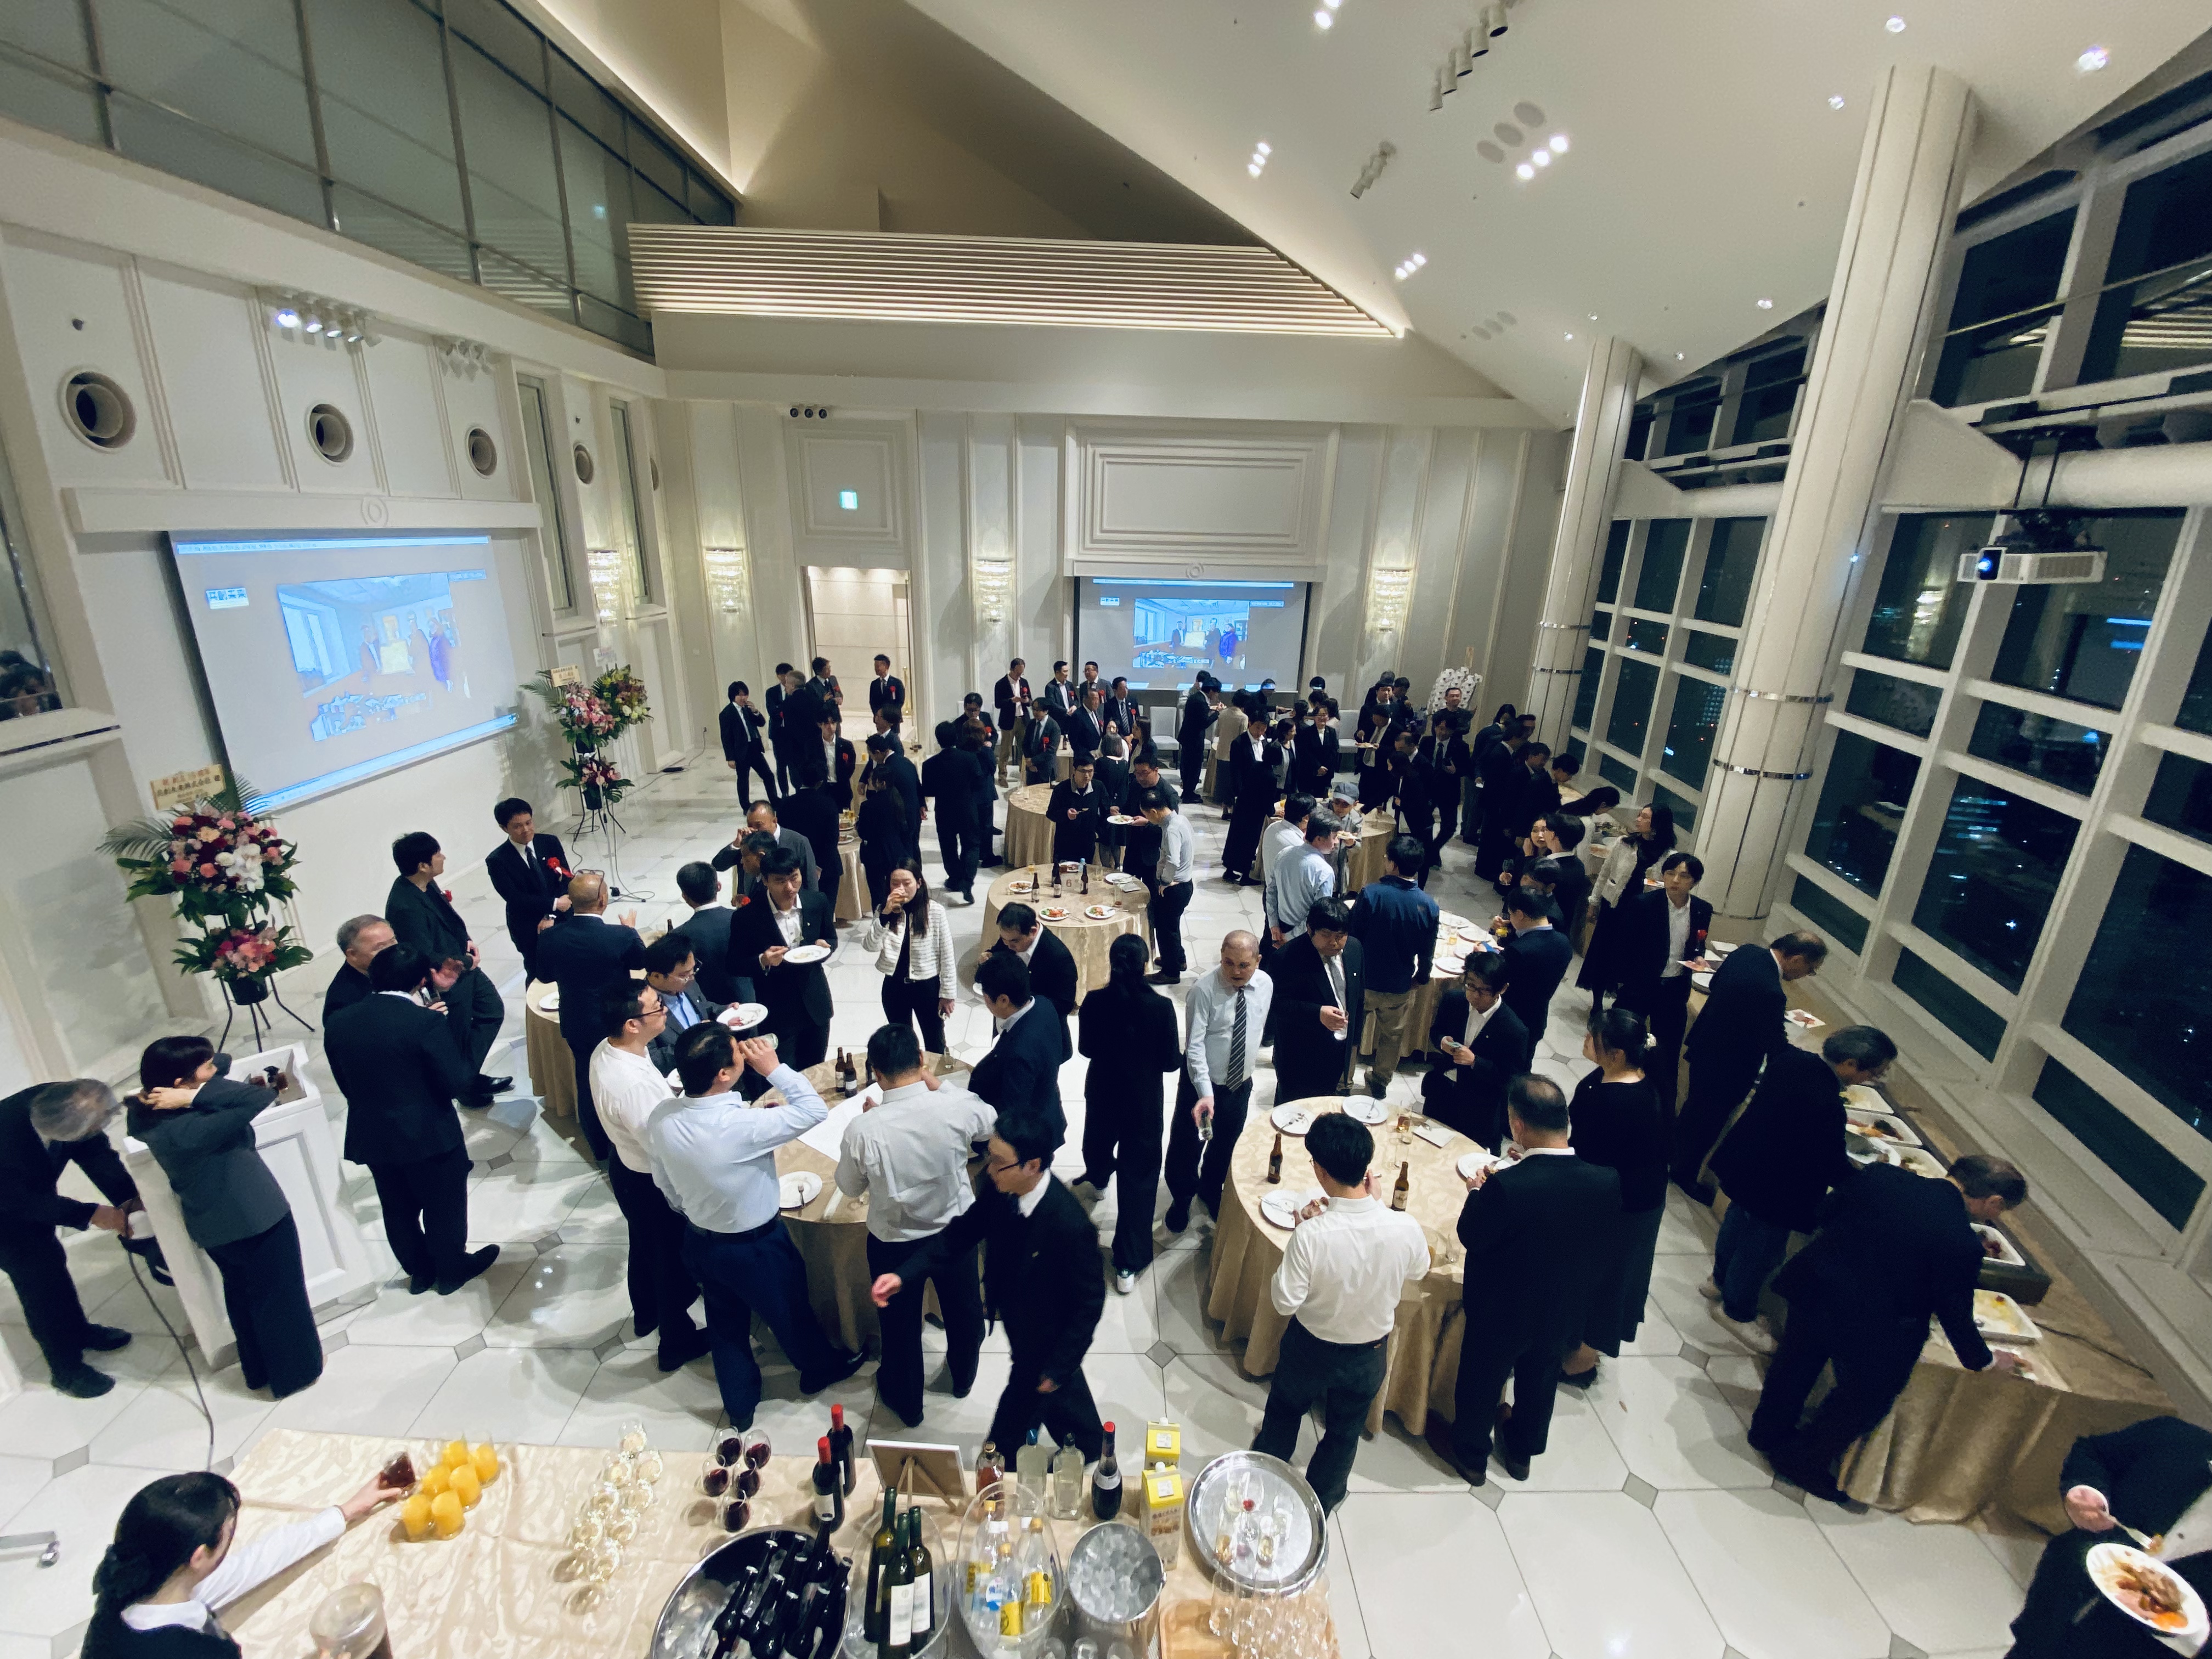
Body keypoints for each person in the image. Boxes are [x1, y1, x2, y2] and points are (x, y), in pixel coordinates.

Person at [1749, 1152, 2026, 1502]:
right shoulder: (1961, 1241)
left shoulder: (1881, 1177)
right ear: (1994, 1201)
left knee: (1794, 1363)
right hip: (1872, 1324)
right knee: (1866, 1396)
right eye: (2001, 1210)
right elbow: (1954, 1312)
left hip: (1818, 1285)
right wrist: (1985, 1361)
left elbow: (1826, 1212)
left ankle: (1766, 1432)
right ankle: (1803, 1461)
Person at [649, 1027, 865, 1429]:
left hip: (700, 1238)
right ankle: (818, 1369)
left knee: (725, 1323)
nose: (745, 1054)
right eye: (738, 1052)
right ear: (723, 1075)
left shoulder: (662, 1116)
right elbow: (813, 1111)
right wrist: (774, 1068)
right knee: (790, 1311)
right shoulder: (739, 1126)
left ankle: (740, 1405)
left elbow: (665, 1184)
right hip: (755, 1247)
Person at [868, 1102, 1106, 1463]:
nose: (989, 1168)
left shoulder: (1070, 1226)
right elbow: (960, 1234)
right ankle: (1089, 1443)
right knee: (1060, 1398)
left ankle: (1000, 1463)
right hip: (1019, 1324)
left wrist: (1060, 1366)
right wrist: (904, 1275)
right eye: (990, 1157)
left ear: (1032, 1166)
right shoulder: (1002, 1190)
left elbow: (1090, 1303)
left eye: (999, 1161)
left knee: (1019, 1410)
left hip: (1045, 1338)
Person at [1429, 1076, 1622, 1485]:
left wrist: (1476, 1192)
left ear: (1517, 1125)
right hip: (1564, 1307)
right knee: (1541, 1377)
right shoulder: (1605, 1181)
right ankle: (1521, 1452)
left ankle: (1470, 1455)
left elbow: (1472, 1235)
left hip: (1505, 1309)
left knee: (1483, 1379)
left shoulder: (1507, 1187)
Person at [1251, 1111, 1429, 1514]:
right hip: (1369, 1354)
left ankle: (1266, 1478)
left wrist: (1300, 1234)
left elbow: (1284, 1302)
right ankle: (1320, 1505)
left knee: (1284, 1412)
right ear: (1366, 1169)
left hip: (1310, 1348)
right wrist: (1379, 1207)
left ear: (1320, 1170)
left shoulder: (1312, 1235)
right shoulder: (1404, 1227)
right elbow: (1419, 1269)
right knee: (1344, 1433)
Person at [131, 1038, 320, 1398]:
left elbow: (223, 1059)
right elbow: (259, 1097)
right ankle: (295, 1373)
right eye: (205, 1069)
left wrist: (192, 1087)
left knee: (241, 1295)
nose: (214, 1069)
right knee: (280, 1297)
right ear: (180, 1083)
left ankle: (258, 1370)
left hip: (213, 1224)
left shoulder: (144, 1112)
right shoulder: (188, 1130)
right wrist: (194, 1098)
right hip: (255, 1216)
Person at [836, 1024, 995, 1427]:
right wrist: (943, 1089)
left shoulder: (863, 1130)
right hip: (954, 1230)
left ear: (876, 1073)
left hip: (895, 1241)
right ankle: (963, 1378)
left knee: (900, 1327)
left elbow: (849, 1187)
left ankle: (908, 1404)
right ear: (921, 1060)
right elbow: (990, 1122)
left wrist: (874, 1124)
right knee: (964, 1311)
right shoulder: (955, 1106)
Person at [323, 945, 500, 1295]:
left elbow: (344, 1082)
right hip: (427, 1132)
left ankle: (419, 1272)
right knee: (443, 1204)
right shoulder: (425, 1022)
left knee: (397, 1207)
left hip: (372, 1132)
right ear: (421, 981)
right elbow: (456, 1080)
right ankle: (451, 1270)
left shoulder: (339, 1022)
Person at [1706, 1024, 1893, 1353]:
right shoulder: (1826, 1102)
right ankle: (1736, 1310)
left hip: (1747, 1165)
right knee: (1761, 1251)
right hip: (1778, 1187)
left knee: (1735, 1225)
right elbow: (1830, 1163)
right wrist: (1872, 1182)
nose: (1870, 1079)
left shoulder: (1792, 1062)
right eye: (1872, 1073)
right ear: (1850, 1064)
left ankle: (1719, 1281)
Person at [83, 1466, 402, 1658]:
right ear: (199, 1557)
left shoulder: (129, 1590)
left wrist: (345, 1511)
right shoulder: (199, 1652)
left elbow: (254, 1563)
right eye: (229, 1532)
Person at [2007, 1417, 2212, 1658]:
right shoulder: (2177, 1439)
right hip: (2059, 1598)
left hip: (2139, 1649)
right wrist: (2088, 1492)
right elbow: (2095, 1453)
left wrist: (2192, 1634)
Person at [587, 982, 709, 1369]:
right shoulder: (633, 1086)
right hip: (647, 1178)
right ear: (632, 1024)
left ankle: (646, 1312)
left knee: (643, 1246)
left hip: (627, 1164)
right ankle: (676, 1342)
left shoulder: (608, 1048)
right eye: (657, 1007)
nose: (665, 1011)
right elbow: (662, 1144)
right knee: (667, 1259)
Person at [1, 1079, 140, 1397]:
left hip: (25, 1199)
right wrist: (91, 1213)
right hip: (5, 1215)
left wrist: (129, 1202)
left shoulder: (74, 1101)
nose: (95, 1132)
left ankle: (78, 1331)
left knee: (53, 1265)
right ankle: (65, 1369)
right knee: (39, 1282)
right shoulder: (7, 1134)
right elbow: (19, 1200)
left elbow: (99, 1158)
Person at [1556, 1008, 1669, 1390]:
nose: (1586, 1041)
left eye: (1594, 1039)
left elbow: (1591, 1156)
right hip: (1619, 1192)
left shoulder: (1620, 1101)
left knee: (1608, 1280)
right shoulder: (1614, 1078)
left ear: (1617, 1054)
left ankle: (1582, 1362)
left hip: (1625, 1205)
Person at [1674, 929, 1829, 1197]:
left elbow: (1715, 985)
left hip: (1704, 1046)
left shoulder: (1747, 952)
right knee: (1707, 1124)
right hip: (1729, 1068)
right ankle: (1683, 1174)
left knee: (1692, 1111)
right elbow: (1775, 1044)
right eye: (1811, 969)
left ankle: (1671, 1155)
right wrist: (1810, 1066)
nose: (1807, 974)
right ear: (1797, 959)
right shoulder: (1771, 992)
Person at [1075, 933, 1182, 1293]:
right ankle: (1127, 1263)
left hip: (1103, 1094)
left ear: (1112, 962)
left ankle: (1099, 1179)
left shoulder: (1094, 1001)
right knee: (1139, 1180)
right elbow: (1170, 1064)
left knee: (1097, 1145)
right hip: (1143, 1103)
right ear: (1146, 964)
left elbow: (1086, 1049)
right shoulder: (1161, 1008)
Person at [383, 831, 509, 1106]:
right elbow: (425, 954)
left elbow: (449, 921)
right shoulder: (405, 906)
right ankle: (464, 1086)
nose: (443, 857)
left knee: (492, 1011)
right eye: (437, 854)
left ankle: (465, 1078)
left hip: (462, 965)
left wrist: (467, 942)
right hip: (448, 978)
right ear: (422, 865)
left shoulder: (427, 884)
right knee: (459, 1033)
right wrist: (466, 961)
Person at [1163, 932, 1274, 1232]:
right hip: (1202, 1088)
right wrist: (1205, 1092)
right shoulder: (1203, 990)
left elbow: (1256, 1030)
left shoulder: (1266, 984)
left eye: (1244, 965)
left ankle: (1211, 1190)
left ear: (1258, 961)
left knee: (1226, 1144)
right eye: (1228, 963)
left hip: (1239, 1085)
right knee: (1187, 1147)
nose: (1235, 971)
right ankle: (1182, 1199)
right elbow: (1194, 1046)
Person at [533, 872, 646, 1160]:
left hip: (577, 1021)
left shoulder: (551, 936)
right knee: (627, 1078)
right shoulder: (620, 935)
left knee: (587, 1081)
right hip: (616, 1022)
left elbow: (543, 976)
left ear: (571, 902)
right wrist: (632, 932)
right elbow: (640, 962)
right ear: (603, 900)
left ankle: (598, 1147)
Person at [1615, 850, 1714, 1116]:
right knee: (1623, 1042)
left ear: (1694, 882)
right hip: (1641, 985)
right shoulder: (1643, 904)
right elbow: (1625, 946)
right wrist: (1626, 980)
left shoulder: (1702, 909)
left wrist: (1698, 956)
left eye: (1684, 876)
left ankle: (1661, 1110)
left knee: (1668, 1053)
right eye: (1671, 873)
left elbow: (1698, 942)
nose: (1676, 880)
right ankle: (1617, 1095)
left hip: (1674, 988)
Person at [731, 845, 838, 1069]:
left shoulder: (817, 902)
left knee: (816, 1068)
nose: (790, 887)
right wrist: (763, 960)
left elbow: (831, 938)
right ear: (766, 881)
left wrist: (825, 948)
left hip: (815, 1002)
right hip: (777, 1009)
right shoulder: (747, 917)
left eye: (794, 878)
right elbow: (734, 963)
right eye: (780, 881)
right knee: (782, 1071)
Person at [1348, 837, 1438, 1098]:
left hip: (1364, 982)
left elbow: (1352, 939)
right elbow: (1428, 950)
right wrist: (1422, 977)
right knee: (1392, 1037)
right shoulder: (1429, 905)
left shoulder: (1371, 894)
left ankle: (1344, 1080)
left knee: (1352, 1033)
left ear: (1393, 865)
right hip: (1399, 985)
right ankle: (1380, 1082)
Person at [1420, 955, 1531, 1150]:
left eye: (1483, 990)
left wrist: (1475, 1062)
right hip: (1441, 1093)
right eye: (1470, 986)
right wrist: (1442, 1042)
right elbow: (1436, 1031)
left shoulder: (1514, 1030)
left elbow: (1511, 1079)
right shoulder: (1454, 1001)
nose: (1473, 995)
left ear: (1502, 989)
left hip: (1477, 1108)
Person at [1578, 803, 1676, 1012]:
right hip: (1615, 906)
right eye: (1640, 815)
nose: (1639, 820)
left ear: (1658, 823)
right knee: (1604, 954)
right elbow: (1605, 873)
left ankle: (1620, 1004)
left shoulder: (1669, 856)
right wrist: (1594, 902)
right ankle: (1597, 1003)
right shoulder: (1624, 844)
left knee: (1629, 958)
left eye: (1645, 817)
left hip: (1643, 914)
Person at [1268, 898, 1365, 1103]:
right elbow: (1276, 1004)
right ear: (1310, 929)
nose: (1334, 943)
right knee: (1293, 1110)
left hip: (1338, 1052)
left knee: (1325, 1105)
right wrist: (1317, 1014)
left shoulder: (1355, 949)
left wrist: (1354, 1041)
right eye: (1326, 935)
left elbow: (1358, 999)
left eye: (1340, 936)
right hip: (1299, 1056)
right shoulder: (1288, 957)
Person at [861, 861, 956, 1056]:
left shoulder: (935, 911)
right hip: (895, 986)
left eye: (907, 883)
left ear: (919, 883)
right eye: (895, 883)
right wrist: (885, 916)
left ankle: (937, 1074)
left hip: (927, 986)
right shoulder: (884, 911)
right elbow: (870, 946)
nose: (901, 889)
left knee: (935, 1041)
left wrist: (948, 994)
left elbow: (947, 955)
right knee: (901, 1045)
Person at [969, 953, 1066, 1127]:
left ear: (1003, 1000)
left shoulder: (1020, 1054)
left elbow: (1013, 1114)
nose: (985, 1001)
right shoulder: (1044, 1004)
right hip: (1047, 1104)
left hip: (1030, 1130)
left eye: (985, 996)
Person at [484, 798, 571, 983]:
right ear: (504, 828)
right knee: (538, 974)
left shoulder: (549, 842)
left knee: (569, 967)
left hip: (561, 917)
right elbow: (515, 898)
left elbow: (565, 877)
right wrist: (554, 904)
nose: (526, 830)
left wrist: (551, 913)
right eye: (518, 826)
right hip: (529, 925)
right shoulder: (498, 860)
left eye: (529, 823)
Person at [982, 902, 1078, 1055]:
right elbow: (999, 952)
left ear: (1033, 931)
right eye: (1004, 940)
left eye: (1014, 941)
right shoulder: (1011, 938)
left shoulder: (1059, 957)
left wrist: (1025, 1002)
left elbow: (1065, 1004)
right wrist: (989, 957)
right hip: (1007, 1022)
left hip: (1040, 1031)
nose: (1008, 946)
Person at [922, 719, 991, 902]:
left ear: (938, 740)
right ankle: (967, 881)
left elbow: (928, 791)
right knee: (972, 845)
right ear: (957, 737)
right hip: (967, 808)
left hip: (944, 810)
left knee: (948, 847)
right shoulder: (969, 759)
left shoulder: (929, 764)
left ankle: (955, 879)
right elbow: (979, 783)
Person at [641, 933, 726, 1073]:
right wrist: (693, 1042)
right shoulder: (641, 1007)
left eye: (693, 970)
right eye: (683, 975)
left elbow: (704, 1007)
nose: (691, 978)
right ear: (657, 976)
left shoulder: (688, 982)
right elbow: (652, 1059)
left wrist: (727, 1011)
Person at [1498, 887, 1572, 1042]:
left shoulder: (1519, 951)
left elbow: (1495, 977)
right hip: (1537, 1019)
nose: (1509, 919)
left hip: (1509, 1020)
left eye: (1511, 914)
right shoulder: (1564, 943)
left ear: (1520, 915)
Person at [670, 862, 749, 1006]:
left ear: (685, 896)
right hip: (753, 1003)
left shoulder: (679, 936)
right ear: (718, 886)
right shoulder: (746, 919)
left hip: (711, 1010)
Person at [1140, 786, 1197, 985]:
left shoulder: (1172, 829)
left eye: (1147, 815)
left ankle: (1170, 972)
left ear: (1154, 812)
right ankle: (1178, 959)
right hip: (1185, 884)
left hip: (1174, 887)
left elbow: (1172, 860)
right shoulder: (1180, 820)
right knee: (1173, 926)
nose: (1147, 819)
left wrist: (1164, 882)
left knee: (1165, 930)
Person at [1220, 712, 1282, 884]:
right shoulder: (1239, 743)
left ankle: (1232, 869)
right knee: (1242, 837)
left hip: (1251, 796)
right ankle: (1238, 872)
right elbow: (1236, 772)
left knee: (1240, 836)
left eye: (1264, 729)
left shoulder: (1265, 743)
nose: (1260, 732)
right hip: (1248, 799)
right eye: (1258, 727)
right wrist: (1240, 794)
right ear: (1250, 724)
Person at [1265, 810, 1340, 950]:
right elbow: (1318, 915)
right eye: (1334, 837)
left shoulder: (1284, 853)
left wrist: (1273, 924)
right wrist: (1290, 937)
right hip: (1304, 936)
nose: (1337, 842)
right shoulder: (1324, 871)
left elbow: (1271, 891)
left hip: (1280, 927)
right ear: (1319, 839)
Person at [854, 765, 911, 914]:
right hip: (895, 850)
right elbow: (904, 828)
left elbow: (864, 833)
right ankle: (899, 916)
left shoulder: (868, 805)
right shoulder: (898, 799)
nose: (870, 781)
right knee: (895, 888)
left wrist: (858, 826)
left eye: (872, 779)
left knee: (877, 892)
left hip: (875, 854)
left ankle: (881, 918)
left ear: (881, 783)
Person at [1525, 814, 1589, 941]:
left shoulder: (1546, 869)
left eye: (1546, 830)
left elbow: (1526, 896)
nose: (1544, 834)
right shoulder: (1579, 865)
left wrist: (1528, 858)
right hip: (1563, 929)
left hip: (1539, 929)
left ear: (1553, 835)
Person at [320, 914, 392, 1023]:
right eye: (380, 947)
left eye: (393, 941)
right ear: (353, 954)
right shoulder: (345, 1002)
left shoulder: (394, 966)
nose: (394, 951)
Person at [720, 680, 777, 808]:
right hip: (741, 752)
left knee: (768, 775)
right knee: (743, 780)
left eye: (745, 694)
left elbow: (761, 723)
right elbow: (726, 738)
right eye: (740, 695)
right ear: (733, 696)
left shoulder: (748, 709)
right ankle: (746, 806)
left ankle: (774, 801)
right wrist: (730, 758)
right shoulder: (727, 714)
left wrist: (755, 711)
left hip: (754, 749)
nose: (743, 698)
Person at [1046, 755, 1108, 867]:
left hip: (1087, 843)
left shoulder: (1098, 787)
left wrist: (1098, 833)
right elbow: (1051, 814)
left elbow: (1106, 812)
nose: (1087, 775)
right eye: (1083, 771)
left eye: (1090, 771)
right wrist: (1066, 814)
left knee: (1085, 874)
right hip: (1065, 843)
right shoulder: (1062, 789)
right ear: (1074, 770)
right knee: (1063, 874)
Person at [871, 730, 924, 845]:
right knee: (914, 848)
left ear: (878, 753)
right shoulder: (906, 761)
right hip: (915, 813)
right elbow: (917, 785)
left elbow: (887, 797)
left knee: (904, 851)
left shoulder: (887, 769)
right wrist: (922, 805)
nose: (873, 759)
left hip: (901, 818)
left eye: (872, 755)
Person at [1259, 793, 1313, 893]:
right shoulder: (1298, 846)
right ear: (1306, 818)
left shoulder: (1272, 827)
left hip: (1270, 889)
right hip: (1285, 896)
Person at [1178, 674, 1220, 799]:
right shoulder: (1201, 701)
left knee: (1188, 766)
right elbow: (1204, 723)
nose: (1217, 696)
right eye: (1217, 692)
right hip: (1194, 740)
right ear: (1211, 691)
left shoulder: (1195, 697)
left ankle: (1187, 792)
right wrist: (1217, 713)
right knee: (1194, 767)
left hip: (1188, 737)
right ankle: (1189, 794)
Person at [1291, 699, 1341, 800]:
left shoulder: (1332, 732)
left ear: (1328, 717)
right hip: (1310, 772)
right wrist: (1318, 767)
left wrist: (1325, 768)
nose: (1322, 718)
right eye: (1319, 715)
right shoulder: (1307, 732)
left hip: (1326, 773)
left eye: (1325, 715)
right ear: (1314, 717)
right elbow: (1305, 752)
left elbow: (1334, 751)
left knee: (1323, 800)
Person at [993, 657, 1031, 785]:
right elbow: (998, 704)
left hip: (1023, 720)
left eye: (1022, 672)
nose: (1020, 675)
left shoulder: (1024, 682)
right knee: (1006, 750)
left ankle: (1024, 774)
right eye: (1018, 672)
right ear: (1012, 669)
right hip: (1008, 721)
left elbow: (1030, 701)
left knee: (1023, 749)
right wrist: (1011, 701)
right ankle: (1002, 776)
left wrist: (1027, 701)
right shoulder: (1001, 684)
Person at [817, 710, 857, 805]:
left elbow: (851, 767)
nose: (830, 727)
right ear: (820, 725)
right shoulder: (813, 746)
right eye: (827, 723)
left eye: (833, 723)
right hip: (821, 790)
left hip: (842, 790)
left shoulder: (846, 745)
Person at [1023, 701, 1063, 787]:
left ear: (1046, 711)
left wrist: (1033, 761)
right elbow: (1025, 743)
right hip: (1031, 769)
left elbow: (1051, 751)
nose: (1034, 712)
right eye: (1033, 710)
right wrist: (1028, 760)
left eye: (1037, 710)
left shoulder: (1054, 727)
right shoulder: (1031, 723)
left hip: (1046, 769)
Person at [1066, 685, 1105, 766]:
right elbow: (1074, 741)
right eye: (1094, 699)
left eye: (1098, 699)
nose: (1097, 702)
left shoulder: (1094, 713)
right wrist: (1089, 754)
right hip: (1084, 760)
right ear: (1085, 699)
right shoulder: (1078, 715)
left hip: (1097, 759)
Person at [867, 653, 905, 731]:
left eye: (878, 666)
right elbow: (872, 702)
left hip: (893, 720)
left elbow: (900, 701)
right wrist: (878, 714)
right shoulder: (874, 684)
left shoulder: (897, 683)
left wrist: (890, 714)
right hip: (880, 721)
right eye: (875, 666)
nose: (876, 669)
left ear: (886, 666)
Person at [1102, 676, 1138, 743]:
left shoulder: (1133, 701)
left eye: (1126, 688)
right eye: (1122, 689)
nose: (1126, 691)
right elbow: (1109, 726)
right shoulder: (1109, 705)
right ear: (1115, 691)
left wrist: (1131, 736)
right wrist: (1123, 738)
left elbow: (1138, 720)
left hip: (1133, 738)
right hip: (1117, 740)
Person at [1042, 659, 1078, 723]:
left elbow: (1076, 699)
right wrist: (1066, 711)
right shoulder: (1050, 687)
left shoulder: (1070, 685)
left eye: (1067, 671)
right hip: (1059, 720)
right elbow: (1052, 704)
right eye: (1065, 671)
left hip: (1072, 718)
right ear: (1057, 673)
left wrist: (1075, 706)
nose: (1067, 674)